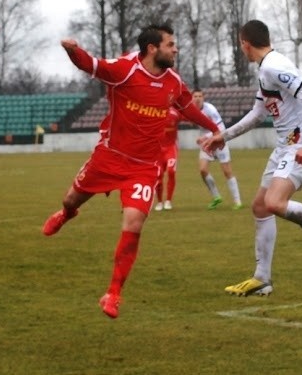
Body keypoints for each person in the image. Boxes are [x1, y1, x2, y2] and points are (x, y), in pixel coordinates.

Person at [41, 24, 220, 319]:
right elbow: (92, 64)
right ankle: (67, 214)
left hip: (144, 167)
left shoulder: (173, 82)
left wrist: (215, 129)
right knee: (71, 199)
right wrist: (72, 50)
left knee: (134, 223)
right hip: (109, 157)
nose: (175, 49)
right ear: (153, 48)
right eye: (170, 44)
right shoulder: (125, 69)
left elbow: (188, 107)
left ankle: (113, 294)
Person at [199, 19, 302, 297]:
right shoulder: (265, 70)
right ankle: (262, 279)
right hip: (285, 147)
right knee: (260, 207)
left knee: (274, 202)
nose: (241, 48)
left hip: (298, 145)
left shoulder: (273, 66)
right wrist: (224, 135)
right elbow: (258, 114)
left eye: (240, 44)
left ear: (245, 43)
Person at [191, 90, 243, 210]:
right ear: (192, 98)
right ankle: (216, 197)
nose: (198, 98)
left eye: (200, 96)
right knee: (203, 170)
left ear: (203, 98)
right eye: (195, 96)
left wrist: (206, 137)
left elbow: (221, 128)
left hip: (219, 141)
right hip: (206, 143)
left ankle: (237, 201)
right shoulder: (192, 110)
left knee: (227, 171)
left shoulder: (210, 109)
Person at [154, 107, 181, 211]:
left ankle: (168, 201)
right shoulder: (153, 111)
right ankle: (160, 202)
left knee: (171, 171)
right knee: (158, 176)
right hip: (157, 150)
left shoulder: (175, 112)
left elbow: (188, 115)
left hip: (171, 148)